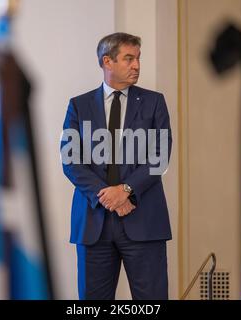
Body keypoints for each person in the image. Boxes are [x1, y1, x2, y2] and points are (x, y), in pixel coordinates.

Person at [61, 32, 172, 300]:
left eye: (138, 59)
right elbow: (71, 161)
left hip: (144, 220)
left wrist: (126, 189)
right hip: (93, 223)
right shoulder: (79, 105)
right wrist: (108, 196)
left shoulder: (154, 101)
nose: (136, 65)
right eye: (129, 58)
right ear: (107, 62)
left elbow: (160, 155)